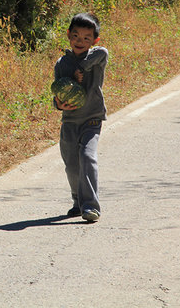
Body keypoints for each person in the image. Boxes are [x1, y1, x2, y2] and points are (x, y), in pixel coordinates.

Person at [53, 13, 108, 222]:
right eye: (76, 36)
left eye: (87, 38)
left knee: (88, 157)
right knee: (71, 165)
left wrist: (81, 68)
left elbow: (102, 52)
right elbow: (57, 91)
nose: (80, 41)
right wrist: (58, 104)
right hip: (69, 121)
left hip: (92, 118)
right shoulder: (61, 63)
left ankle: (91, 206)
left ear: (94, 40)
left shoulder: (97, 57)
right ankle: (77, 200)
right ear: (68, 35)